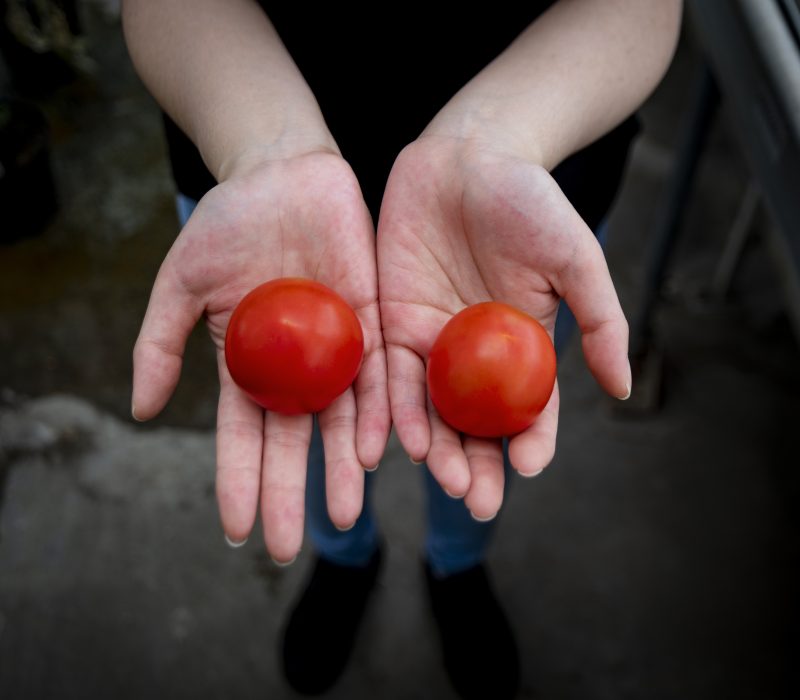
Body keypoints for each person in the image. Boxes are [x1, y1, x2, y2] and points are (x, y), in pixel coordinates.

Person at [122, 1, 682, 697]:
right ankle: (344, 558)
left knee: (481, 441)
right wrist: (262, 145)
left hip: (515, 203)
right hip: (256, 188)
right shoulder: (265, 218)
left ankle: (457, 565)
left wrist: (497, 139)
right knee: (316, 432)